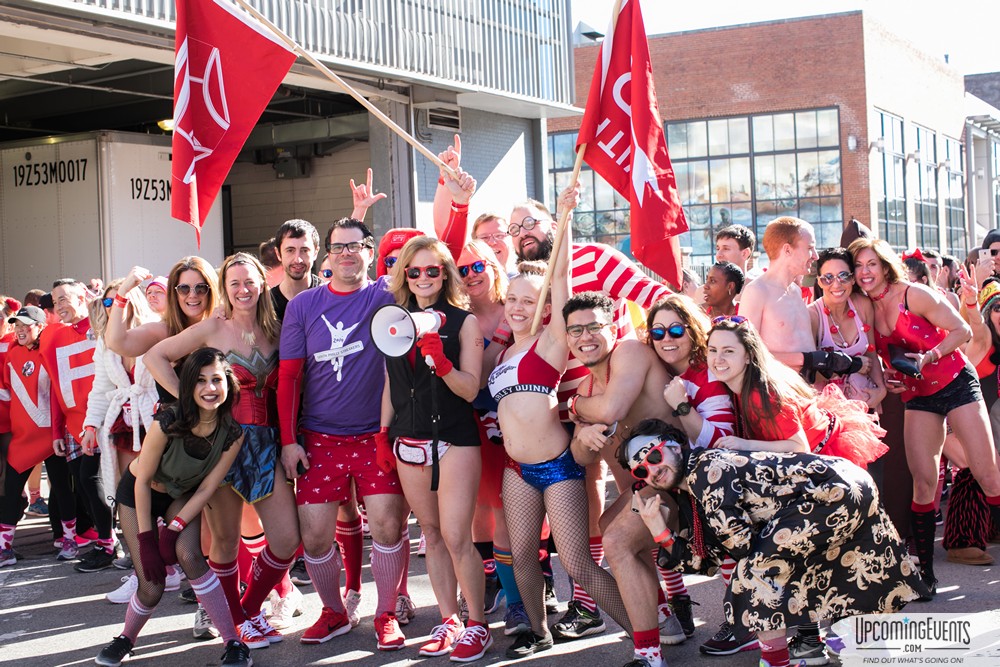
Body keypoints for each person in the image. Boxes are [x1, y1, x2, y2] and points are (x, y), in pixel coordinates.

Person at [626, 419, 924, 667]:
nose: (651, 470)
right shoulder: (694, 488)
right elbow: (706, 562)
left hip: (833, 492)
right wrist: (657, 528)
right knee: (822, 566)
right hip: (848, 485)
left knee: (754, 571)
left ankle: (778, 661)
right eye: (641, 470)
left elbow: (740, 545)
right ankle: (864, 648)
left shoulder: (707, 470)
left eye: (653, 456)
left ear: (675, 446)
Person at [489, 231, 632, 660]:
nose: (517, 307)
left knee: (578, 563)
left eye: (528, 300)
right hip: (516, 470)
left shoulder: (549, 341)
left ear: (546, 309)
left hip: (556, 466)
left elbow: (562, 275)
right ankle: (538, 632)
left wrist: (563, 219)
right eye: (511, 299)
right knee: (523, 557)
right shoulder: (501, 356)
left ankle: (643, 634)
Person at [145, 253, 299, 649]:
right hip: (222, 445)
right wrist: (188, 402)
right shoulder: (213, 327)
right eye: (234, 283)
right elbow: (155, 355)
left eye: (249, 281)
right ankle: (237, 620)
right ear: (225, 288)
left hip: (267, 445)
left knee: (285, 540)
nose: (243, 289)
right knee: (226, 541)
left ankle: (246, 609)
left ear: (262, 283)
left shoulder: (278, 329)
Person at [277, 218, 408, 652]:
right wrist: (288, 441)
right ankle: (333, 611)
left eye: (356, 246)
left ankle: (386, 611)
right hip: (320, 438)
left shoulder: (388, 295)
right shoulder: (303, 306)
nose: (346, 253)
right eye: (338, 247)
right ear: (326, 255)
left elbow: (439, 255)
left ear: (370, 252)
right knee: (314, 536)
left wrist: (459, 204)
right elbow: (290, 377)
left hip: (377, 435)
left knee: (388, 528)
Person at [848, 236, 1000, 596]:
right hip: (918, 395)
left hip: (956, 383)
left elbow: (961, 331)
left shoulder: (913, 294)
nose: (865, 272)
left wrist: (928, 357)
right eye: (858, 266)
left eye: (871, 264)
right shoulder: (866, 307)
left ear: (884, 265)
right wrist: (885, 375)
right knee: (924, 483)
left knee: (989, 476)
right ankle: (926, 575)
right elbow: (877, 355)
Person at [93, 348, 251, 667]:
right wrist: (147, 540)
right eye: (201, 381)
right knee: (152, 585)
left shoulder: (233, 433)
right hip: (141, 494)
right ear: (189, 385)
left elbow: (206, 487)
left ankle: (234, 642)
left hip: (183, 494)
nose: (210, 388)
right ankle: (126, 638)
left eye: (217, 380)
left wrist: (175, 527)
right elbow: (141, 480)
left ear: (227, 384)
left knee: (192, 557)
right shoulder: (168, 418)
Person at [381, 235, 492, 662]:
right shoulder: (391, 319)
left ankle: (477, 624)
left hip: (453, 437)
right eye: (414, 270)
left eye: (432, 269)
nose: (423, 277)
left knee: (456, 535)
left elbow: (469, 388)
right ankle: (449, 621)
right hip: (407, 440)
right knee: (430, 535)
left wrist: (442, 365)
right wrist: (381, 433)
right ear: (404, 275)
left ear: (444, 273)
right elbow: (390, 385)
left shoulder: (463, 322)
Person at [105, 258, 221, 640]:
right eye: (184, 288)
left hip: (217, 445)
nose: (192, 295)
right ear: (173, 293)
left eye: (200, 287)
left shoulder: (222, 321)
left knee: (219, 537)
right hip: (171, 451)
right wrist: (121, 296)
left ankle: (239, 610)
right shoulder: (164, 330)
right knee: (194, 545)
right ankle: (201, 614)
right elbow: (117, 342)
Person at [456, 239, 526, 634]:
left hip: (511, 421)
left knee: (503, 509)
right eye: (462, 270)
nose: (471, 275)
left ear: (493, 265)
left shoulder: (514, 308)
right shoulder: (456, 314)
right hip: (465, 421)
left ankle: (516, 600)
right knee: (474, 509)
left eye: (477, 265)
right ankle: (486, 585)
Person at [79, 280, 157, 575]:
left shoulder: (155, 330)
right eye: (109, 303)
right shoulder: (105, 342)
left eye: (121, 301)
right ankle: (143, 568)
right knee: (129, 495)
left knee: (158, 492)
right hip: (123, 424)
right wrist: (90, 426)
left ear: (134, 301)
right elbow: (100, 388)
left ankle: (167, 564)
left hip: (153, 422)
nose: (115, 308)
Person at [39, 279, 112, 562]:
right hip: (72, 426)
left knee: (95, 482)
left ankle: (109, 542)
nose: (60, 306)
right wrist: (57, 430)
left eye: (65, 299)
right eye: (56, 302)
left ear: (83, 296)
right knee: (84, 486)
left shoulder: (102, 327)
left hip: (104, 420)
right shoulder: (54, 336)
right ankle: (107, 539)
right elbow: (57, 388)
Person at [0, 306, 76, 569]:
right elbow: (7, 393)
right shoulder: (11, 352)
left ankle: (69, 539)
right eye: (17, 325)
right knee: (11, 489)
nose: (20, 330)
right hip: (23, 436)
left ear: (41, 326)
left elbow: (60, 393)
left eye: (27, 325)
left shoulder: (51, 352)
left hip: (53, 434)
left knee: (62, 489)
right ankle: (4, 547)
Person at [808, 248, 886, 411]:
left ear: (852, 279)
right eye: (828, 278)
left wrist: (880, 389)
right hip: (828, 409)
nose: (836, 284)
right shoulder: (812, 315)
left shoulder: (863, 305)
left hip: (864, 403)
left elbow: (871, 352)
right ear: (819, 281)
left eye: (843, 276)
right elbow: (808, 372)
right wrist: (850, 365)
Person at [269, 219, 321, 321]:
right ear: (278, 253)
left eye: (304, 250)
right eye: (290, 250)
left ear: (315, 253)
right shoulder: (266, 305)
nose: (298, 259)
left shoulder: (328, 297)